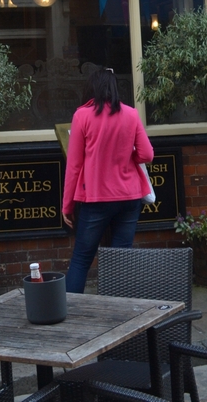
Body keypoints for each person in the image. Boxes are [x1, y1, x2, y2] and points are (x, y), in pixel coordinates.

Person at [62, 67, 153, 293]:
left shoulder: (81, 116)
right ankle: (117, 314)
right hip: (129, 197)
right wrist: (127, 152)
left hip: (96, 199)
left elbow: (74, 166)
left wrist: (67, 206)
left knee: (82, 259)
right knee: (120, 260)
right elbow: (147, 155)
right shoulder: (131, 114)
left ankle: (69, 311)